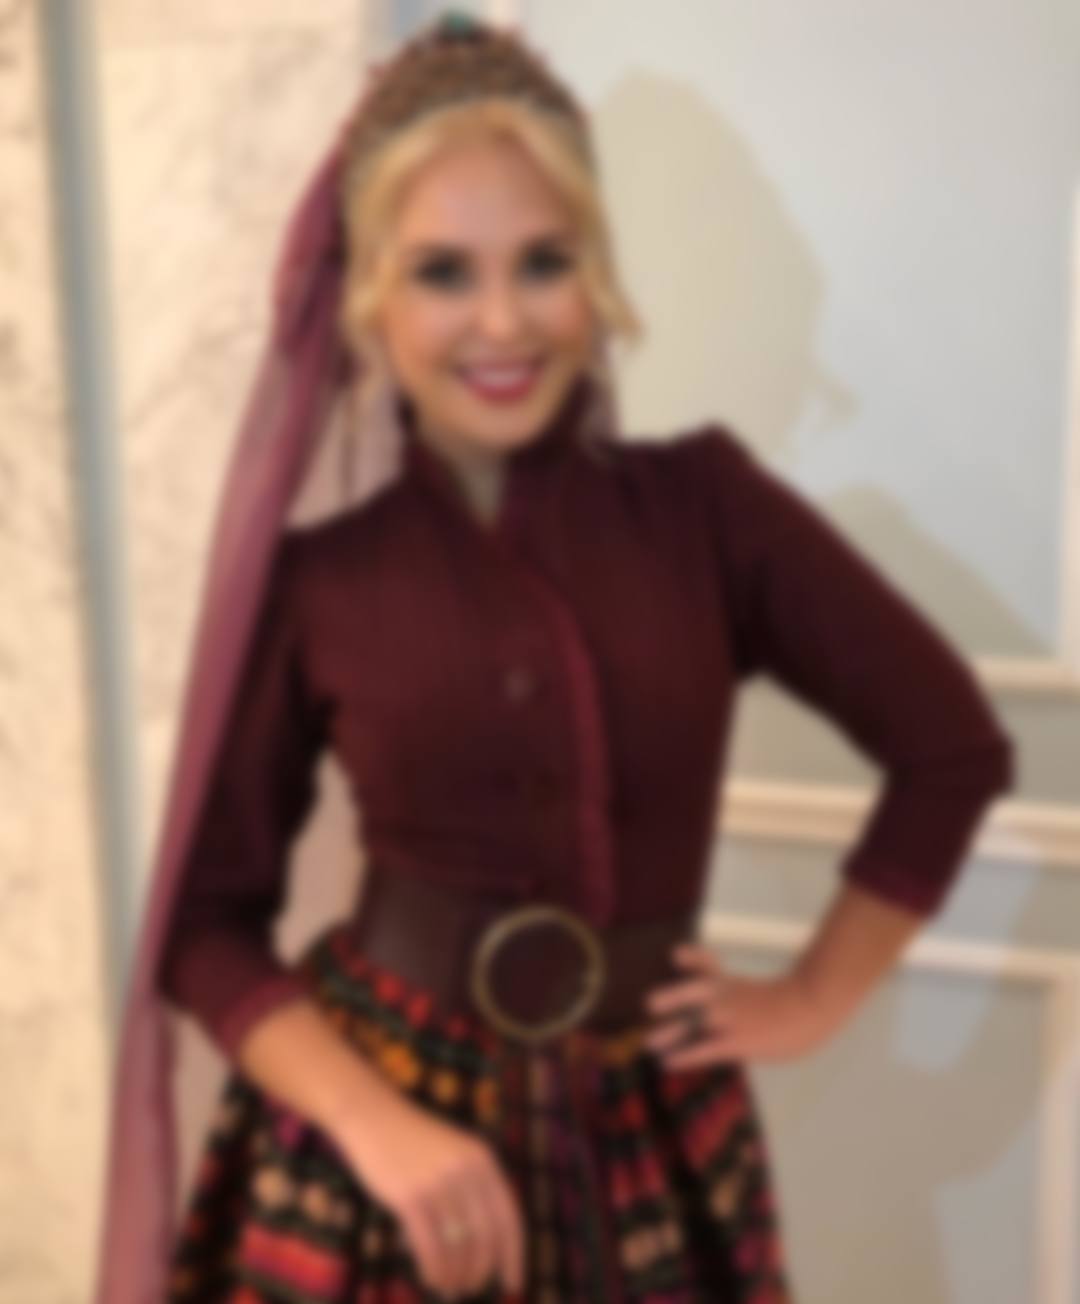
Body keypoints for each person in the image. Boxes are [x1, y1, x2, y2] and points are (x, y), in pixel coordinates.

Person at [93, 11, 1016, 1303]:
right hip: (381, 1165)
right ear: (371, 300)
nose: (502, 320)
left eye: (544, 261)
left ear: (596, 278)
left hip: (655, 1143)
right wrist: (372, 1124)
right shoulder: (321, 579)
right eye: (441, 272)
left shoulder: (709, 509)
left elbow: (952, 750)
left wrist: (813, 999)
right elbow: (203, 925)